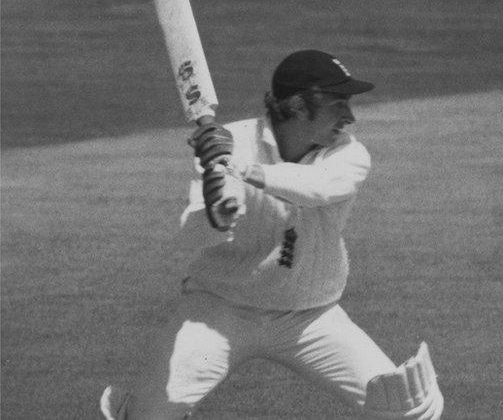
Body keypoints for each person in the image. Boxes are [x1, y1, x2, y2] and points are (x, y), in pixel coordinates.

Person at [99, 49, 444, 419]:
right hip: (220, 310)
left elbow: (318, 187)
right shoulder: (229, 143)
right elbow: (192, 234)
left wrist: (242, 168)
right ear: (297, 104)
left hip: (310, 318)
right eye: (338, 104)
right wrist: (217, 214)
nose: (350, 117)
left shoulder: (348, 154)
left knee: (409, 408)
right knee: (146, 417)